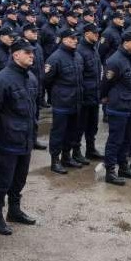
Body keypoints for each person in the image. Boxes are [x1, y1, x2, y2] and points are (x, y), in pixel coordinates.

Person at [0, 38, 39, 235]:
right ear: (16, 54)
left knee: (19, 178)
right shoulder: (1, 79)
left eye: (32, 52)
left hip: (25, 138)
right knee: (3, 179)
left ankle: (14, 210)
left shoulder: (30, 77)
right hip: (7, 139)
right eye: (27, 52)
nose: (32, 55)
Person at [100, 31, 131, 185]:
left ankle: (123, 167)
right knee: (115, 139)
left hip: (130, 105)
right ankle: (110, 171)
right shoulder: (115, 60)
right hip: (118, 106)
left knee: (127, 139)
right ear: (126, 43)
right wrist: (105, 98)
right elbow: (105, 84)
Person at [42, 27, 84, 174]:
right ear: (64, 39)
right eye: (72, 38)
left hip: (76, 101)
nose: (75, 41)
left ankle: (67, 156)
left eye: (76, 38)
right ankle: (55, 160)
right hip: (62, 102)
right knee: (58, 132)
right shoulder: (55, 58)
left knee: (72, 131)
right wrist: (57, 94)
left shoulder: (78, 56)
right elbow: (46, 80)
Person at [76, 23, 101, 162]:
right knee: (80, 126)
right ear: (87, 34)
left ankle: (91, 149)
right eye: (94, 32)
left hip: (94, 94)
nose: (97, 35)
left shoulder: (94, 48)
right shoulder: (80, 51)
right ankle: (77, 151)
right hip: (85, 96)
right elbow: (79, 76)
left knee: (93, 126)